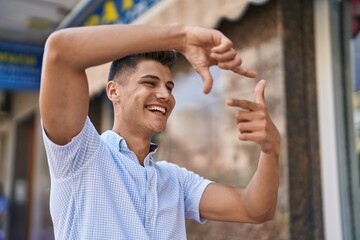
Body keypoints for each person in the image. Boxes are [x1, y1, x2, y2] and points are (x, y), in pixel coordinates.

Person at [39, 24, 280, 240]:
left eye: (169, 86)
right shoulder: (82, 156)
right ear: (113, 92)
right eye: (149, 82)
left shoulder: (175, 180)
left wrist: (271, 150)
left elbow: (255, 209)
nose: (165, 94)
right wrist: (180, 38)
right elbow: (61, 50)